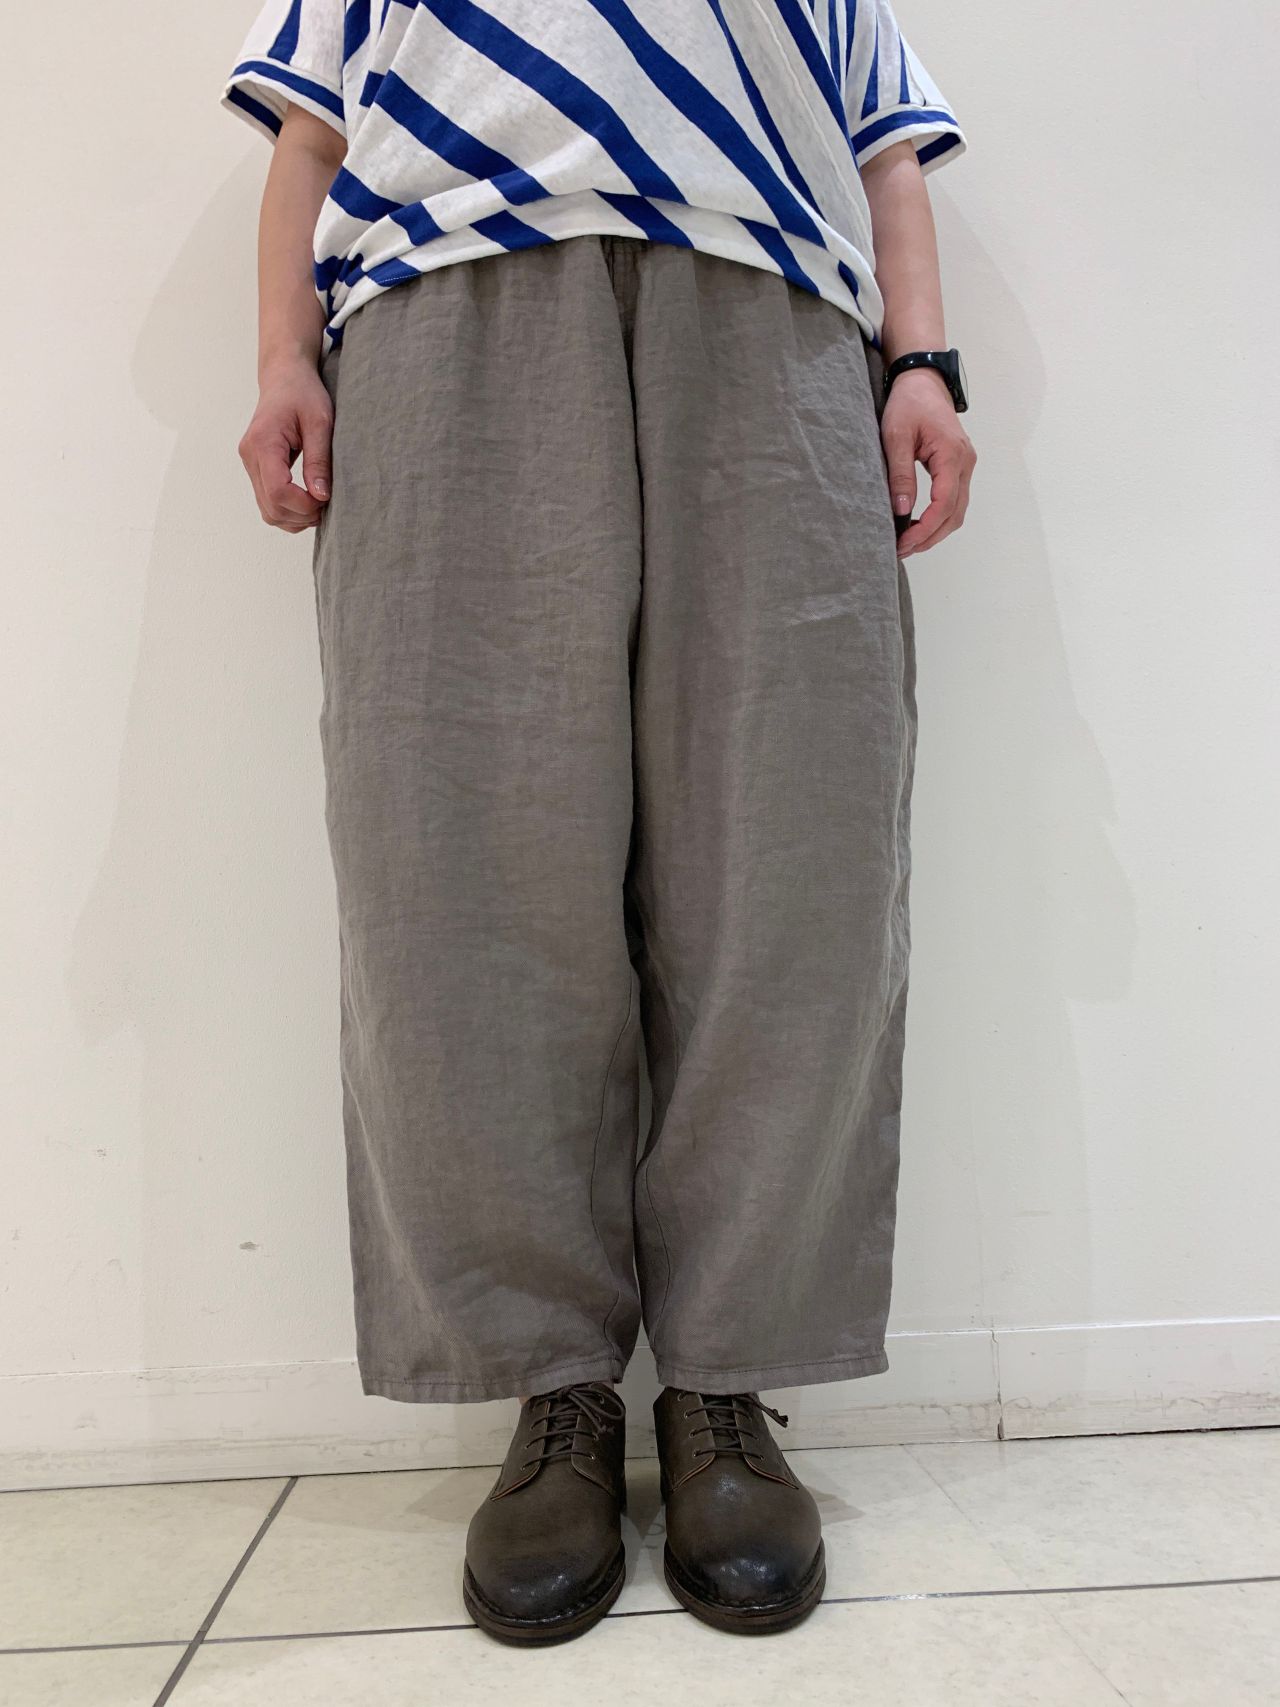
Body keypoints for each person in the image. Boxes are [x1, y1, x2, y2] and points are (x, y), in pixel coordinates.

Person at [223, 0, 975, 1645]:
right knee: (460, 878)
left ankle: (725, 1380)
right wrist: (282, 357)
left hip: (773, 320)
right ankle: (552, 1382)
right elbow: (313, 130)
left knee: (792, 870)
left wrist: (922, 361)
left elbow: (884, 141)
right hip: (446, 312)